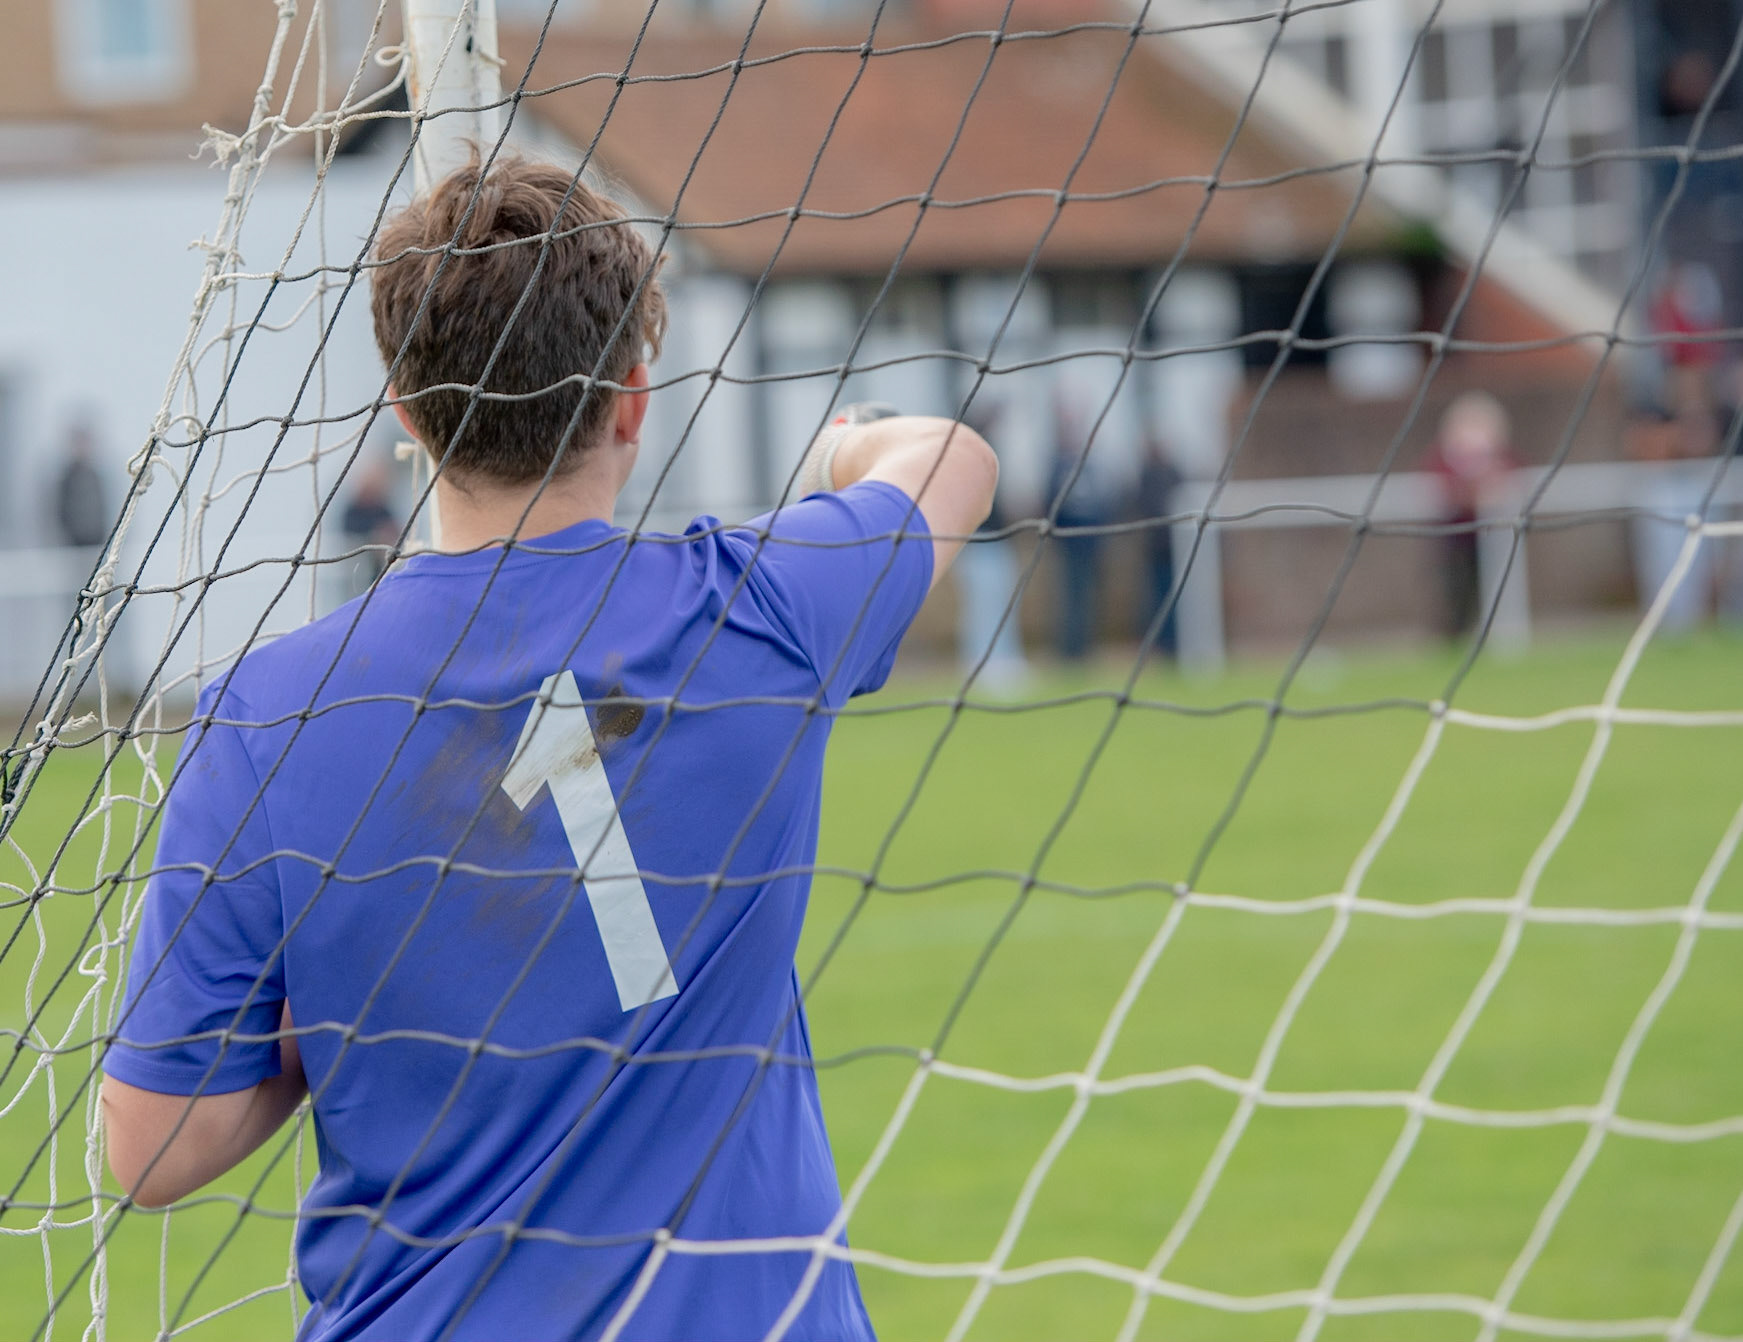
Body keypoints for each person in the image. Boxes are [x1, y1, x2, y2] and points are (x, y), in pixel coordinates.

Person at [100, 154, 996, 1342]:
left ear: (407, 414)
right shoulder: (764, 611)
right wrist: (845, 446)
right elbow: (953, 461)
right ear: (634, 399)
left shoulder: (264, 717)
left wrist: (327, 1024)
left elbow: (152, 1146)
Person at [1422, 391, 1517, 639]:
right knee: (1455, 590)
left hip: (1490, 539)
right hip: (1454, 539)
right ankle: (1453, 634)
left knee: (1489, 588)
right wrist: (1469, 492)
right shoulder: (1444, 459)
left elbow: (1512, 481)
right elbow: (1442, 487)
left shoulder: (1498, 457)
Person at [952, 403, 1029, 689]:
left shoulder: (992, 454)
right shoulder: (968, 456)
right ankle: (980, 662)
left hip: (997, 541)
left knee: (1002, 604)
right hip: (977, 544)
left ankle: (1003, 659)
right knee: (981, 607)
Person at [1046, 402, 1110, 662]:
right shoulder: (1058, 465)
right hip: (1068, 544)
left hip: (1090, 544)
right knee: (1069, 598)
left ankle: (1085, 647)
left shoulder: (1092, 466)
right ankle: (1069, 649)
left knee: (1088, 598)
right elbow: (1051, 502)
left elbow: (1104, 502)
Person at [1132, 438, 1182, 658]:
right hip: (1156, 549)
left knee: (1178, 596)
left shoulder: (1175, 472)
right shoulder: (1147, 476)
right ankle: (1161, 642)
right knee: (1157, 597)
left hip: (1178, 549)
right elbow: (1145, 505)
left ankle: (1176, 642)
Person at [338, 460, 401, 595]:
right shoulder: (352, 510)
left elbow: (394, 529)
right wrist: (374, 537)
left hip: (380, 570)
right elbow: (350, 532)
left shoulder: (382, 508)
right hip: (358, 570)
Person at [54, 420, 110, 548]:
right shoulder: (67, 478)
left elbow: (102, 507)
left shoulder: (95, 476)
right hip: (73, 543)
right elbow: (60, 510)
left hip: (96, 541)